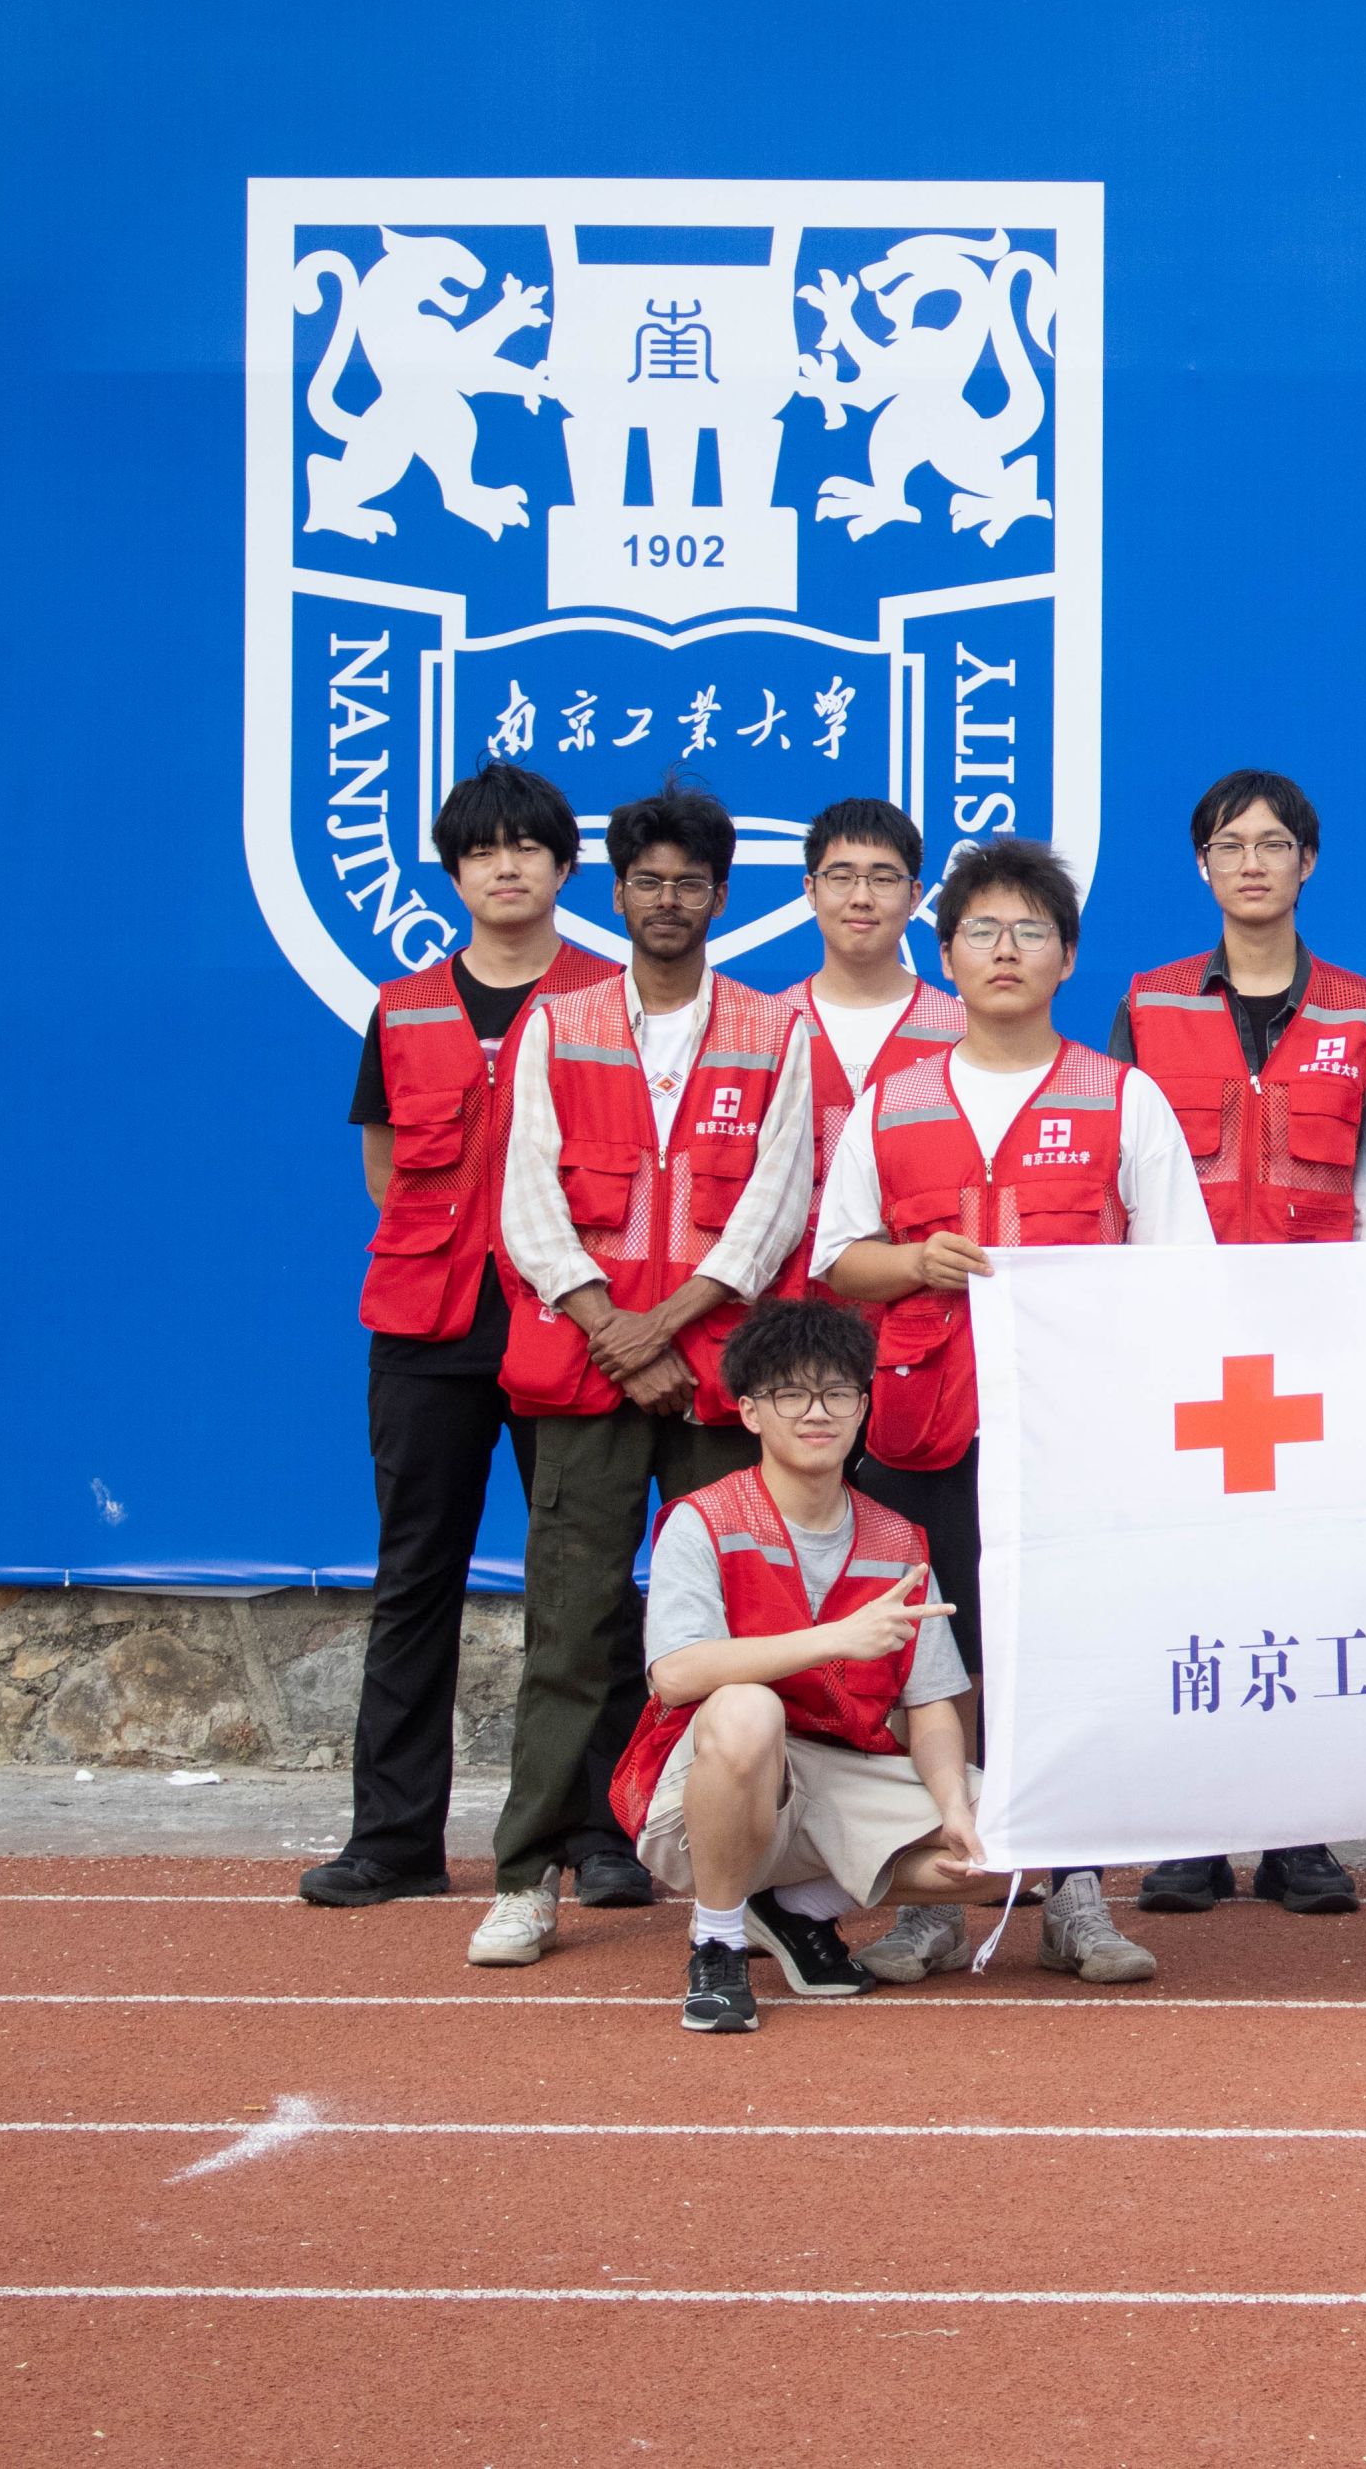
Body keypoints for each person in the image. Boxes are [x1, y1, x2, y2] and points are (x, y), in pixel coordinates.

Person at [817, 832, 1216, 1985]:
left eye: (1029, 930)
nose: (1004, 949)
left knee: (1063, 1659)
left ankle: (1075, 1895)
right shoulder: (892, 1102)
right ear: (944, 955)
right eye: (981, 930)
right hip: (920, 1430)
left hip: (1067, 1434)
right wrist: (915, 1263)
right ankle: (938, 1898)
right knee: (932, 1665)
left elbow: (1178, 1269)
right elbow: (837, 1255)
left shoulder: (1120, 1096)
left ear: (1067, 957)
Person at [481, 782, 821, 1969]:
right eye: (647, 881)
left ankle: (756, 1881)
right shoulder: (558, 1024)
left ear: (720, 896)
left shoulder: (772, 1032)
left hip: (717, 1380)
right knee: (569, 1630)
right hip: (588, 1375)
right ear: (615, 893)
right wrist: (613, 1330)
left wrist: (666, 1329)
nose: (667, 899)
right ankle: (527, 1878)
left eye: (689, 883)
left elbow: (774, 1208)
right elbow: (527, 1200)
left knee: (746, 1630)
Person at [301, 764, 616, 1912]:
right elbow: (385, 1172)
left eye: (527, 846)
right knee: (415, 1579)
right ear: (452, 872)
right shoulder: (402, 1008)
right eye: (481, 849)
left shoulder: (607, 1004)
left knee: (580, 1585)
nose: (505, 865)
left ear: (565, 865)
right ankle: (393, 1840)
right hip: (426, 1329)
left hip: (564, 1322)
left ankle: (598, 1836)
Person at [1113, 766, 1366, 1920]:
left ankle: (1300, 1830)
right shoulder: (1148, 1007)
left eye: (1274, 842)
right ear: (1202, 866)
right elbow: (1123, 1183)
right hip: (1188, 1353)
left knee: (1310, 1585)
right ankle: (1189, 1831)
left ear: (1307, 863)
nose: (1252, 861)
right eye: (1230, 843)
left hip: (1316, 1355)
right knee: (1187, 1585)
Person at [611, 1294, 1014, 2035]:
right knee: (747, 1707)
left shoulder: (899, 1540)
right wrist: (834, 1638)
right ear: (750, 1412)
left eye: (837, 1393)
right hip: (707, 1788)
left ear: (863, 1407)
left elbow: (930, 1705)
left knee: (1018, 1834)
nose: (817, 1412)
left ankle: (794, 1905)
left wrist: (954, 1803)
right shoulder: (704, 1520)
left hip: (835, 1779)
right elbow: (676, 1673)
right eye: (790, 1394)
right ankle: (718, 1942)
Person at [770, 797, 964, 1295]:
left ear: (915, 895)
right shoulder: (766, 1028)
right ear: (810, 890)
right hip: (784, 1313)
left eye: (882, 878)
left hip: (918, 1310)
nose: (861, 897)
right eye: (841, 877)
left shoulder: (962, 1030)